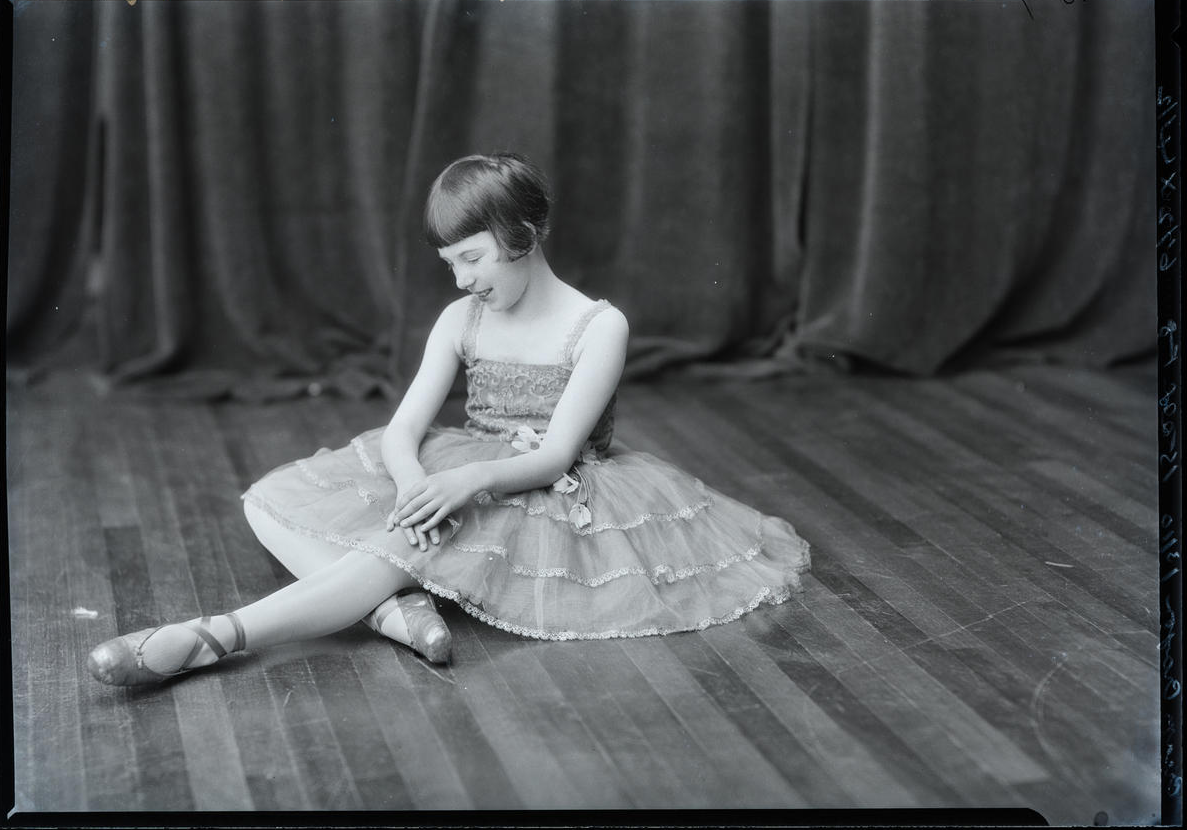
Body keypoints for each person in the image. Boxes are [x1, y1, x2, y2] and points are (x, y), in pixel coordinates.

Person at [88, 153, 811, 686]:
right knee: (268, 504)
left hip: (536, 484)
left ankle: (215, 635)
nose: (463, 279)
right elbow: (405, 429)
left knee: (400, 545)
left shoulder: (598, 326)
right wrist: (410, 481)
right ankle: (393, 613)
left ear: (522, 235)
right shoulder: (460, 317)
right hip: (456, 461)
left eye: (472, 257)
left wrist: (466, 484)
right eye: (450, 264)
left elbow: (558, 454)